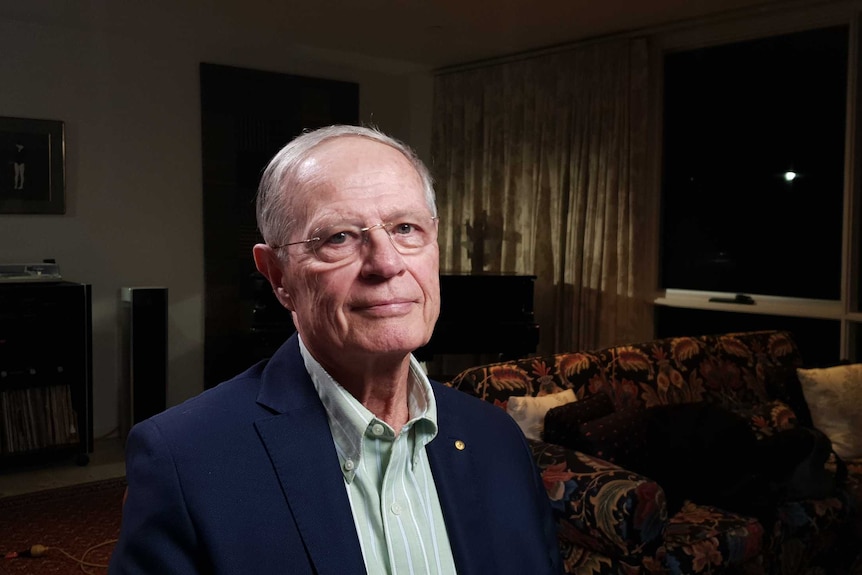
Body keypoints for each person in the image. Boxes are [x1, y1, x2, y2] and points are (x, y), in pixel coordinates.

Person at [109, 125, 562, 575]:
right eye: (339, 237)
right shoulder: (183, 459)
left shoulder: (498, 439)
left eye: (406, 228)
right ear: (277, 276)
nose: (387, 263)